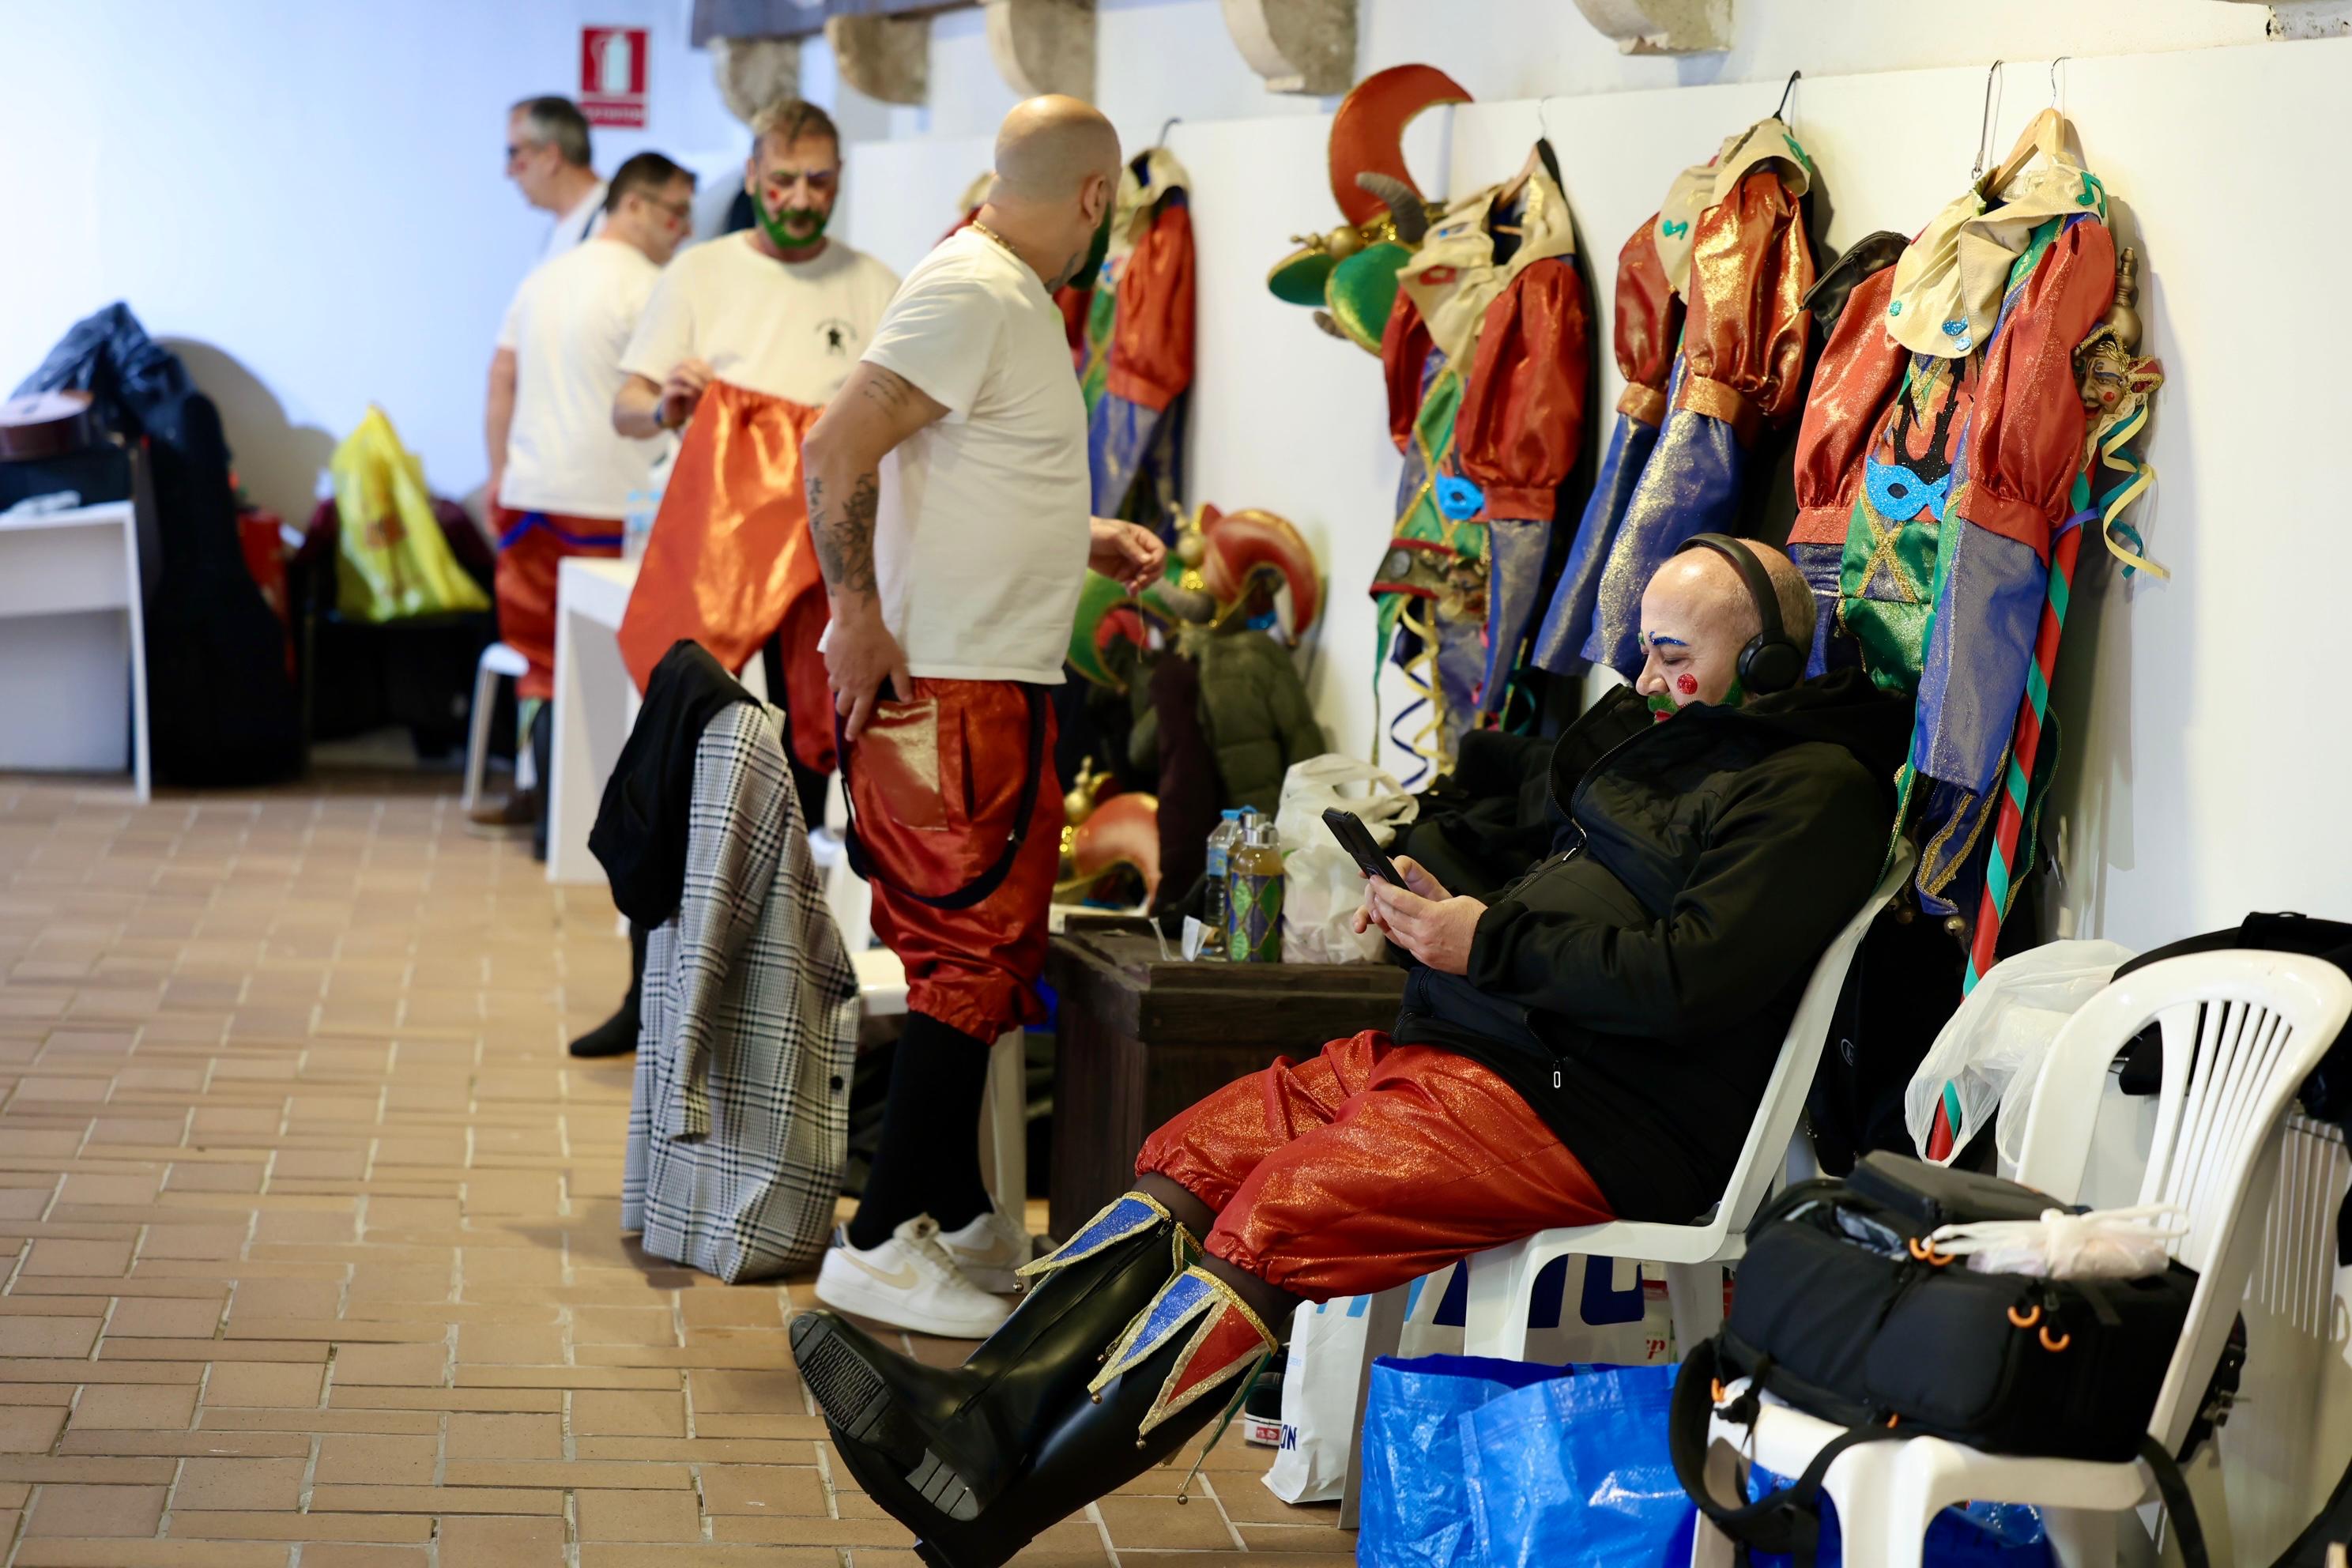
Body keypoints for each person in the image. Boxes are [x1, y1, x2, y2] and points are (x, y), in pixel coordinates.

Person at [789, 539, 1913, 1568]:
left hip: (1598, 1112)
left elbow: (1685, 980)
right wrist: (1443, 904)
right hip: (1478, 1047)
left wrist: (1488, 941)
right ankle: (978, 1418)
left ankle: (998, 1504)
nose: (1652, 682)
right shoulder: (1665, 745)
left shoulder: (1814, 791)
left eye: (1676, 658)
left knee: (1277, 1213)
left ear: (1764, 662)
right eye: (1645, 654)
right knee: (1199, 1153)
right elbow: (1558, 884)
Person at [793, 96, 1166, 1339]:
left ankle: (952, 1213)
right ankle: (875, 1243)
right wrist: (855, 615)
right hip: (948, 686)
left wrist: (1075, 533)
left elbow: (953, 463)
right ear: (1096, 196)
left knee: (983, 956)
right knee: (967, 958)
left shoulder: (1000, 291)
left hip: (985, 674)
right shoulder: (973, 288)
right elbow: (836, 449)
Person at [610, 98, 899, 826]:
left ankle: (790, 887)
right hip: (719, 541)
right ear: (751, 176)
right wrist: (666, 406)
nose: (800, 200)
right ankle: (688, 884)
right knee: (694, 723)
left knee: (814, 738)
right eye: (782, 181)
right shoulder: (700, 272)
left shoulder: (875, 285)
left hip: (827, 546)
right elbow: (626, 406)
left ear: (840, 177)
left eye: (818, 181)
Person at [474, 154, 697, 848]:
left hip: (529, 498)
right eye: (675, 213)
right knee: (623, 667)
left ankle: (548, 817)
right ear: (632, 205)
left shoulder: (543, 278)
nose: (685, 230)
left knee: (540, 666)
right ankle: (602, 830)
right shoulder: (654, 288)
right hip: (611, 503)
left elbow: (500, 379)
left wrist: (499, 474)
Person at [506, 96, 606, 260]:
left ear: (550, 157)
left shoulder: (613, 223)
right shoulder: (559, 229)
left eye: (513, 153)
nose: (508, 171)